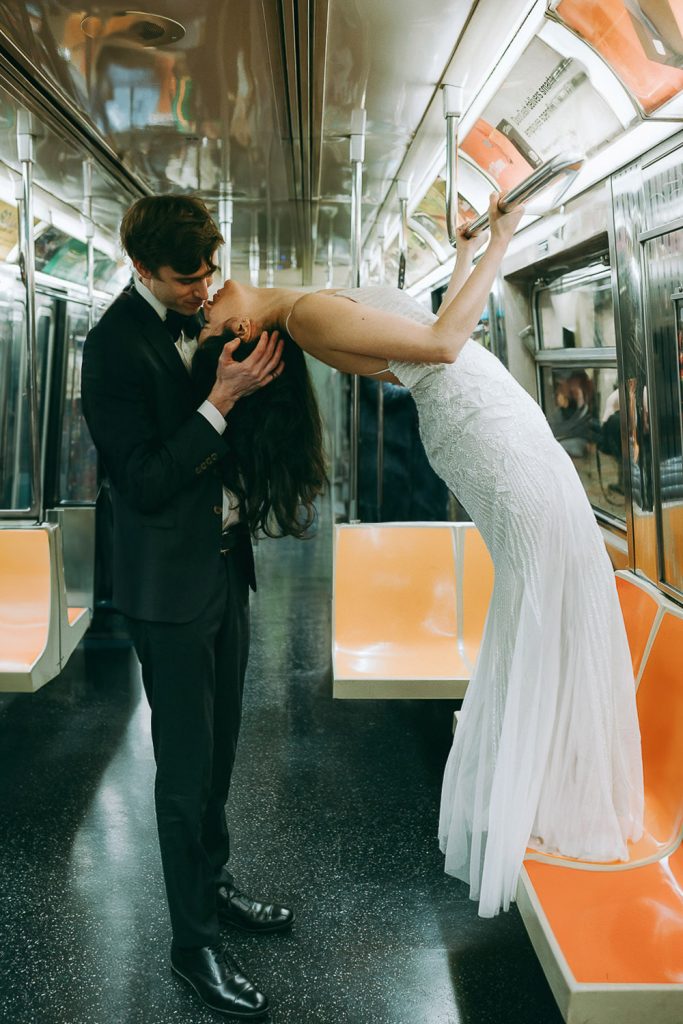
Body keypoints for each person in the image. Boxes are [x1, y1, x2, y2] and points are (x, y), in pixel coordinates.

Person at [198, 193, 644, 918]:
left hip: (487, 426)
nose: (208, 298)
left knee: (552, 592)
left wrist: (463, 250)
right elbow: (440, 345)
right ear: (241, 329)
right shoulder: (307, 316)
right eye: (204, 322)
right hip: (492, 436)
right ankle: (548, 795)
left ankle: (547, 788)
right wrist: (502, 242)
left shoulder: (312, 313)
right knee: (548, 595)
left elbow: (417, 341)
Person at [81, 195, 326, 1020]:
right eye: (188, 277)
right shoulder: (110, 346)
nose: (204, 287)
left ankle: (211, 889)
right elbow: (144, 478)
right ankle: (192, 948)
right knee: (183, 772)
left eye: (210, 270)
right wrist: (218, 400)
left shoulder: (203, 319)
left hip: (225, 568)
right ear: (143, 268)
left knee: (220, 753)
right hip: (167, 590)